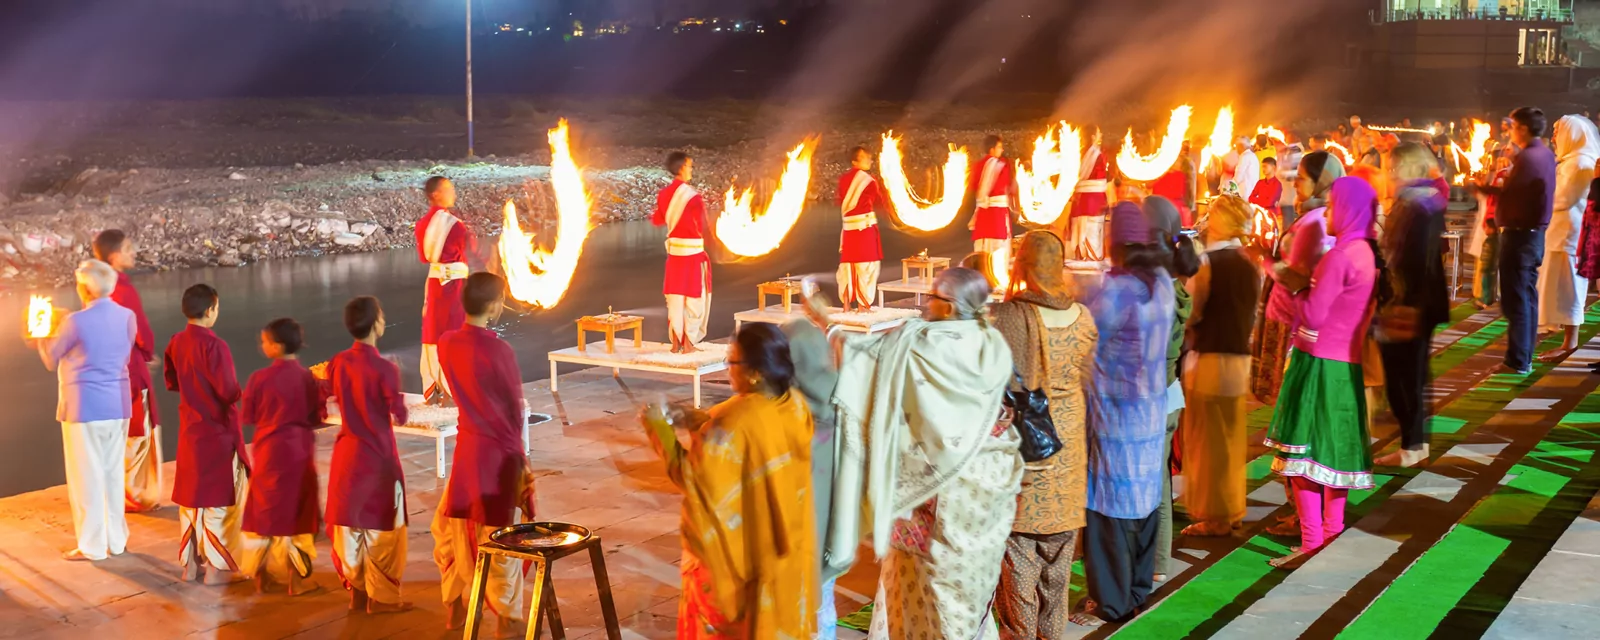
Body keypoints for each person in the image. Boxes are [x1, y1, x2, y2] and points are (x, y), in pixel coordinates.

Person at [823, 268, 1019, 639]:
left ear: (949, 307)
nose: (925, 304)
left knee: (923, 603)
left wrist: (830, 327)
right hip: (981, 498)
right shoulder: (989, 341)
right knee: (967, 597)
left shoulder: (924, 345)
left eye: (932, 297)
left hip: (931, 497)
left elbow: (864, 363)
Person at [642, 323, 817, 639]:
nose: (727, 368)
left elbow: (693, 478)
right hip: (782, 555)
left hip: (738, 562)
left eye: (732, 362)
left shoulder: (734, 424)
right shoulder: (794, 406)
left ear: (755, 372)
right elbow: (745, 431)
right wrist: (697, 419)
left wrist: (659, 430)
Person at [1263, 177, 1380, 568]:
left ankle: (1312, 542)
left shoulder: (1339, 257)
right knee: (1334, 458)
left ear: (1348, 210)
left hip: (1317, 363)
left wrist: (1292, 287)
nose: (1326, 213)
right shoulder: (1366, 253)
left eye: (1332, 206)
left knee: (1304, 462)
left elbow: (1313, 314)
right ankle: (1331, 535)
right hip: (1346, 365)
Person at [1071, 201, 1176, 626]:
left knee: (1110, 509)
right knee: (1144, 502)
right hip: (1151, 408)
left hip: (1116, 415)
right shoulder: (1162, 282)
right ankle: (1135, 591)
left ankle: (1110, 601)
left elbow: (1085, 335)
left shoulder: (1119, 290)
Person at [992, 231, 1098, 638]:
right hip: (1068, 444)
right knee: (1058, 564)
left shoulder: (1009, 317)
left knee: (1019, 561)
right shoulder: (1083, 317)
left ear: (1022, 264)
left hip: (1028, 448)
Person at [432, 273, 536, 636]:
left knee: (453, 532)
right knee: (500, 536)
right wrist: (521, 458)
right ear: (494, 305)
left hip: (466, 452)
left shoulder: (446, 343)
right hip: (497, 455)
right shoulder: (499, 350)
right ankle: (508, 619)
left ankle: (456, 607)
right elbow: (512, 407)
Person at [34, 260, 135, 561]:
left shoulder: (75, 322)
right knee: (114, 473)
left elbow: (51, 358)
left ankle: (92, 546)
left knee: (86, 477)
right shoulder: (127, 316)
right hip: (118, 404)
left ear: (84, 288)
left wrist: (41, 332)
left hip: (84, 407)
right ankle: (117, 540)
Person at [326, 296, 413, 614]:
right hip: (378, 457)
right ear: (378, 324)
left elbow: (328, 390)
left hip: (347, 454)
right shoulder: (385, 368)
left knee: (351, 526)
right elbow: (399, 414)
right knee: (382, 531)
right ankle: (383, 597)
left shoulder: (338, 362)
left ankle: (357, 592)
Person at [1180, 195, 1260, 537]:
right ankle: (1231, 508)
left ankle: (1214, 516)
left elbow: (1192, 312)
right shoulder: (1249, 261)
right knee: (1229, 438)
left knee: (1208, 440)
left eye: (1212, 215)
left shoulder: (1207, 262)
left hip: (1210, 356)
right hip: (1239, 357)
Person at [164, 284, 248, 585]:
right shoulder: (215, 345)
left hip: (190, 428)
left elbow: (172, 381)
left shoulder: (176, 342)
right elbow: (228, 391)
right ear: (211, 309)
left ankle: (190, 566)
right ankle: (217, 569)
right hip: (217, 430)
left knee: (191, 500)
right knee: (218, 500)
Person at [1374, 144, 1451, 468]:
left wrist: (1403, 303)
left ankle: (1412, 446)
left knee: (1405, 376)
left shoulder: (1416, 206)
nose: (1389, 175)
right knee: (1410, 375)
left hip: (1410, 302)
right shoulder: (1421, 202)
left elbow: (1415, 261)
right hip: (1414, 300)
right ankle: (1413, 444)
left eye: (1393, 168)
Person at [238, 318, 324, 595]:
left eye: (264, 341)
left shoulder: (259, 379)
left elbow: (248, 416)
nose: (262, 346)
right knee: (299, 513)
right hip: (298, 451)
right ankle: (295, 581)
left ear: (275, 346)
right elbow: (317, 416)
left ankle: (261, 576)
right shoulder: (307, 378)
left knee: (262, 512)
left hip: (267, 451)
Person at [1252, 151, 1343, 405]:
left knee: (1291, 400)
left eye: (1301, 178)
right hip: (1291, 317)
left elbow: (1296, 278)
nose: (1294, 183)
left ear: (1320, 182)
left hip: (1291, 321)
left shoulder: (1317, 223)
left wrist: (1263, 257)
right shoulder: (1319, 216)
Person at [1476, 107, 1557, 375]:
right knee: (1526, 298)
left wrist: (1480, 187)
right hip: (1532, 236)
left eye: (1512, 126)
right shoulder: (1543, 153)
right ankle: (1522, 357)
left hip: (1521, 236)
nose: (1509, 131)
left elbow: (1512, 195)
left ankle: (1518, 361)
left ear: (1522, 128)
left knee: (1517, 300)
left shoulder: (1531, 157)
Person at [1145, 196, 1200, 582]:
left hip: (1153, 397)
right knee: (1159, 483)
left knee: (1148, 487)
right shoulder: (1174, 288)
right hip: (1169, 395)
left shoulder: (1155, 292)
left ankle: (1152, 564)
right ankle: (1159, 562)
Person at [781, 295, 842, 639]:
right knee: (823, 601)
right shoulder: (840, 410)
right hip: (828, 541)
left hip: (790, 545)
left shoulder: (782, 415)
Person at [91, 230, 163, 513]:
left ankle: (119, 489)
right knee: (139, 427)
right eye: (129, 248)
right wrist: (147, 353)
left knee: (119, 428)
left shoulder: (94, 287)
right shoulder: (121, 288)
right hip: (130, 367)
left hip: (107, 368)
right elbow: (139, 329)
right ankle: (138, 494)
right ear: (113, 256)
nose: (135, 252)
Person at [1536, 115, 1600, 363]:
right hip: (1559, 234)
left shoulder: (1580, 162)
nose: (1553, 136)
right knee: (1559, 288)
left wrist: (1538, 195)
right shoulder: (1569, 161)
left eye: (1557, 131)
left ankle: (1570, 343)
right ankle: (1563, 339)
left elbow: (1563, 200)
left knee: (1570, 289)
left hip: (1570, 236)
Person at [415, 176, 477, 404]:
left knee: (433, 332)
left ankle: (435, 388)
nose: (454, 193)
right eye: (448, 189)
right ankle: (453, 390)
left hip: (434, 284)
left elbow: (425, 257)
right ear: (435, 195)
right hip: (452, 286)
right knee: (453, 332)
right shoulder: (453, 225)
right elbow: (469, 251)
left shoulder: (423, 224)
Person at [652, 151, 713, 353]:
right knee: (694, 299)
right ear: (681, 168)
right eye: (690, 166)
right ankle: (688, 344)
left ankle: (676, 342)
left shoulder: (663, 195)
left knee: (676, 299)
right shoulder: (692, 197)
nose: (691, 170)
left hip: (674, 256)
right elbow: (704, 226)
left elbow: (657, 220)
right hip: (693, 256)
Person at [838, 146, 887, 311]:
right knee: (867, 266)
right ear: (854, 161)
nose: (869, 161)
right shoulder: (869, 181)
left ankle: (846, 306)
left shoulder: (843, 180)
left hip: (848, 230)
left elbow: (840, 202)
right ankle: (863, 306)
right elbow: (881, 202)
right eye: (865, 158)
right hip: (864, 230)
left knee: (848, 266)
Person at [971, 134, 1017, 271]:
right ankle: (998, 276)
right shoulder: (1001, 166)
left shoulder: (978, 166)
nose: (1001, 150)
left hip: (983, 214)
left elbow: (974, 186)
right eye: (999, 147)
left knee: (983, 245)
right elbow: (1008, 188)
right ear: (992, 149)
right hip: (997, 214)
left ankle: (982, 274)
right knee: (999, 246)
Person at [1066, 129, 1111, 261]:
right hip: (1093, 201)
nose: (1101, 135)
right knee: (1093, 233)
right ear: (1092, 136)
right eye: (1098, 132)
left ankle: (1080, 257)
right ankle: (1089, 261)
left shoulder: (1078, 153)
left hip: (1081, 201)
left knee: (1082, 230)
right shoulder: (1097, 154)